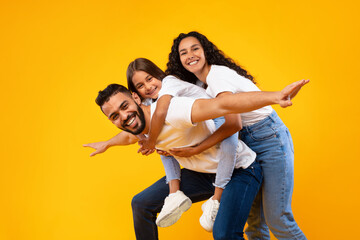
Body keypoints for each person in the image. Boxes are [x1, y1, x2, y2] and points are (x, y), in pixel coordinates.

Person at [94, 79, 308, 240]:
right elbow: (127, 137)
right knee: (141, 204)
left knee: (223, 234)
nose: (123, 117)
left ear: (136, 98)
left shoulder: (173, 111)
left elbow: (224, 105)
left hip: (239, 170)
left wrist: (275, 96)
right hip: (204, 174)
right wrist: (107, 144)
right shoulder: (138, 127)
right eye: (114, 116)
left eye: (124, 107)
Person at [165, 31, 307, 239]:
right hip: (245, 146)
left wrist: (276, 97)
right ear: (179, 60)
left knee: (278, 219)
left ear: (205, 51)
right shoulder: (197, 85)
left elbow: (232, 121)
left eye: (195, 48)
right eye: (184, 52)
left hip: (268, 139)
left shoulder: (217, 75)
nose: (190, 55)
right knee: (255, 224)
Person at [85, 58, 242, 230]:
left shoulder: (169, 91)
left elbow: (229, 117)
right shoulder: (146, 107)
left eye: (150, 79)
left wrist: (153, 142)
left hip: (222, 136)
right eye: (140, 85)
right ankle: (175, 194)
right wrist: (108, 143)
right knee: (158, 155)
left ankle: (216, 198)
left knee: (228, 142)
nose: (148, 87)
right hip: (201, 167)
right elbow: (129, 136)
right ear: (136, 93)